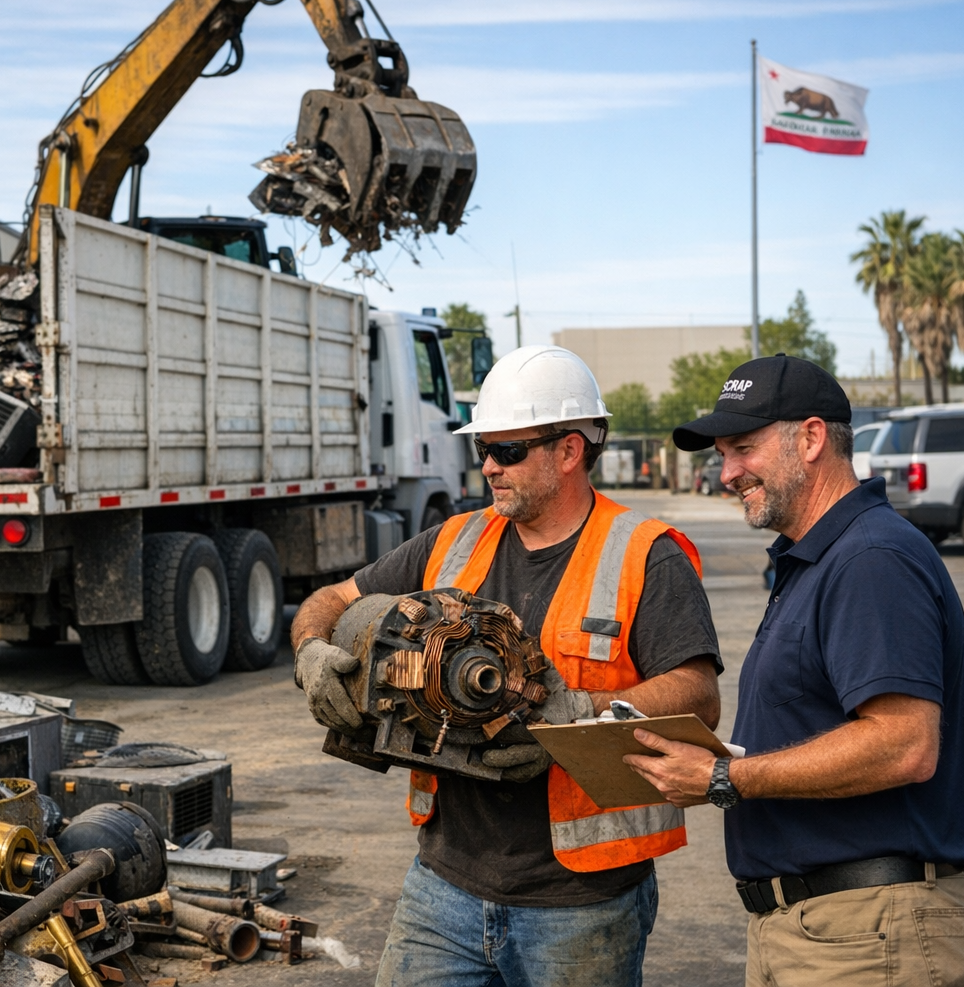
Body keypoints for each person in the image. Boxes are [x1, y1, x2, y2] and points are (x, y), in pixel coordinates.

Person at [291, 345, 722, 987]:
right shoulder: (452, 540)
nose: (489, 466)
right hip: (444, 886)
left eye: (508, 450)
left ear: (570, 450)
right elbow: (332, 600)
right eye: (482, 449)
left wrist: (579, 712)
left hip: (581, 902)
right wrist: (311, 649)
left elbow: (699, 695)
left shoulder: (645, 555)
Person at [628, 354, 964, 987]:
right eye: (722, 455)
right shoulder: (817, 558)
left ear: (813, 437)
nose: (727, 474)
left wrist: (722, 777)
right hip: (821, 929)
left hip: (869, 936)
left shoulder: (870, 558)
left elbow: (904, 744)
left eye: (743, 449)